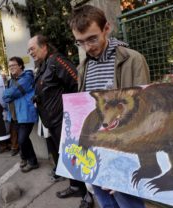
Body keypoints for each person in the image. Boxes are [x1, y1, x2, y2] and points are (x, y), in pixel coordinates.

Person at [69, 5, 150, 208]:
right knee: (106, 205)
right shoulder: (83, 68)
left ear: (107, 28)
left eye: (92, 38)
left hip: (123, 155)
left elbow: (143, 114)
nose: (87, 47)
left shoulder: (133, 60)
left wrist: (124, 167)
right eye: (80, 42)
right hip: (96, 156)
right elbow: (84, 112)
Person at [28, 35, 89, 205]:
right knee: (66, 157)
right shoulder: (43, 65)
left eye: (32, 48)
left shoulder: (56, 61)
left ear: (44, 46)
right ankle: (75, 187)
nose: (30, 52)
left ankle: (87, 195)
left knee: (76, 158)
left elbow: (77, 83)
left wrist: (71, 113)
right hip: (52, 122)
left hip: (65, 121)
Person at [3, 56, 39, 172]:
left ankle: (31, 161)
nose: (11, 68)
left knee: (22, 140)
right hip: (15, 115)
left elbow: (13, 92)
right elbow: (5, 97)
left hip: (26, 113)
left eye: (13, 65)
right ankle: (29, 159)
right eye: (10, 66)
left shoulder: (27, 77)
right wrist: (9, 94)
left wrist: (9, 94)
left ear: (20, 65)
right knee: (24, 139)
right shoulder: (10, 80)